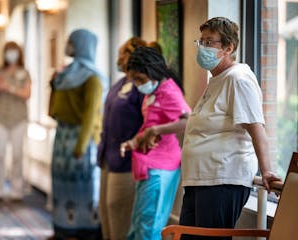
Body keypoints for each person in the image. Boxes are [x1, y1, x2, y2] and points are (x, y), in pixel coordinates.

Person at [178, 17, 281, 240]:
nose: (202, 47)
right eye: (201, 41)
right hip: (201, 180)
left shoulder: (238, 78)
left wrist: (266, 170)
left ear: (228, 48)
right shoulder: (217, 79)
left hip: (221, 180)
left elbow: (256, 127)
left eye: (209, 42)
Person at [120, 46, 191, 240]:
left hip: (161, 167)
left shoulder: (169, 92)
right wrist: (134, 141)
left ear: (153, 72)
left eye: (140, 79)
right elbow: (150, 123)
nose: (137, 84)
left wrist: (156, 131)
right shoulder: (152, 91)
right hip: (149, 163)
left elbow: (188, 121)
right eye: (134, 80)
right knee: (137, 225)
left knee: (148, 227)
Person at [48, 29, 104, 240]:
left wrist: (80, 146)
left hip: (71, 139)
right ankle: (74, 230)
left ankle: (73, 230)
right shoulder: (83, 77)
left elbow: (56, 112)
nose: (67, 46)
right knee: (75, 186)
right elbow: (86, 115)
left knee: (73, 186)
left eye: (70, 42)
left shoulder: (74, 77)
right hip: (75, 138)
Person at [97, 37, 146, 240]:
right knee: (106, 212)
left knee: (120, 214)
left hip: (127, 161)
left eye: (122, 54)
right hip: (108, 158)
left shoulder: (141, 86)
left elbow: (148, 122)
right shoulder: (120, 84)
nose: (119, 59)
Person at [0, 41, 31, 201]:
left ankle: (16, 190)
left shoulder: (24, 72)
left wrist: (9, 88)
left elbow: (27, 94)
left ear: (19, 53)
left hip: (18, 119)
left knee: (17, 155)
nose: (11, 54)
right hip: (0, 117)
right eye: (8, 51)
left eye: (14, 51)